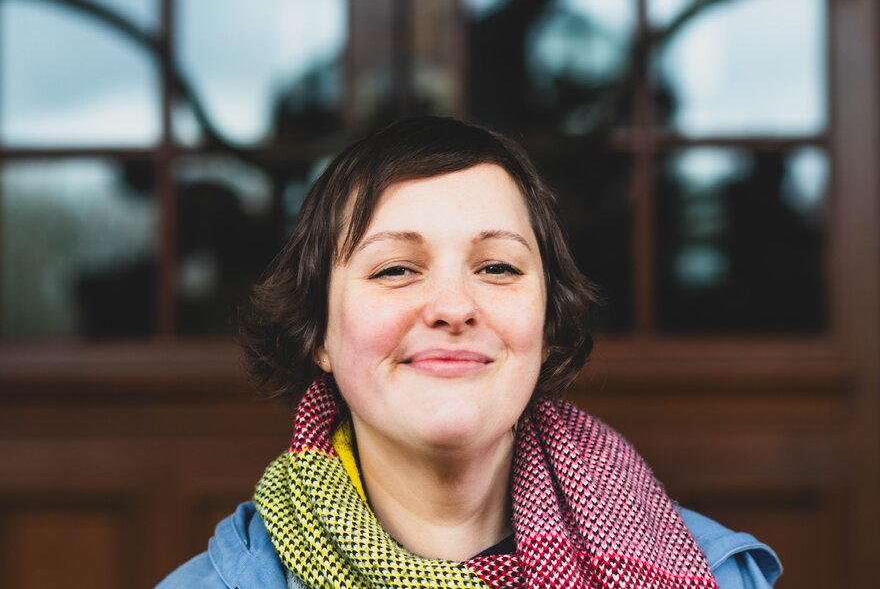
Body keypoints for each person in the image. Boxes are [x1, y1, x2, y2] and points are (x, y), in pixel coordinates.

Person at [157, 117, 781, 588]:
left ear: (545, 318)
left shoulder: (719, 573)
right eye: (397, 268)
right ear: (318, 332)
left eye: (499, 267)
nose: (454, 306)